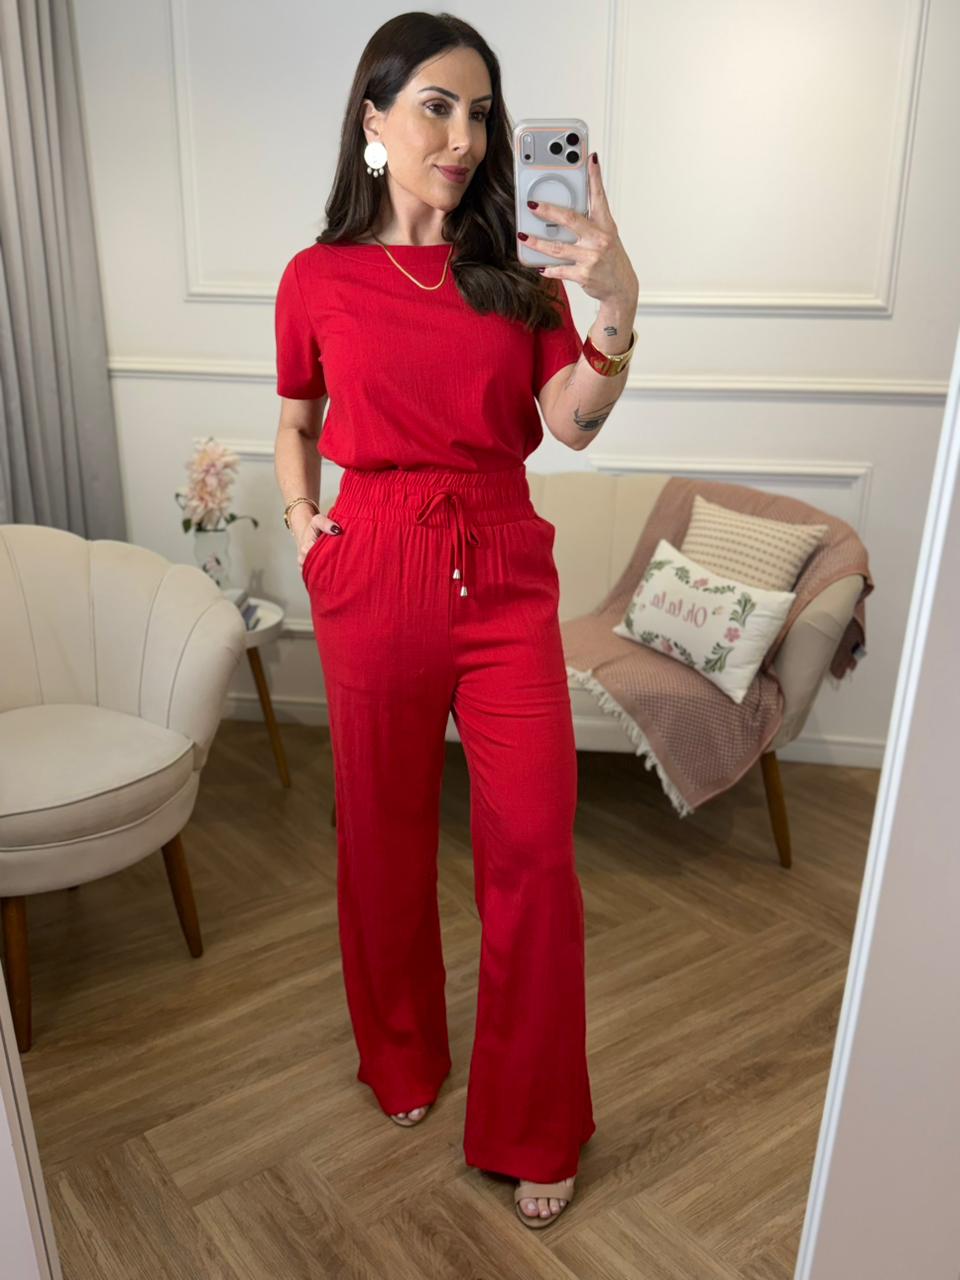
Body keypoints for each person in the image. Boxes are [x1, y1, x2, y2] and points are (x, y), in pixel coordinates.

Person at [273, 12, 639, 1228]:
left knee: (534, 848)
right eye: (437, 105)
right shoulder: (316, 277)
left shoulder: (518, 275)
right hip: (372, 564)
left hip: (502, 568)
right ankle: (401, 1051)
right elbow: (296, 416)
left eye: (480, 112)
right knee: (381, 837)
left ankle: (535, 1118)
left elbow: (572, 421)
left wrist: (615, 306)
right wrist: (304, 520)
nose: (465, 135)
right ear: (373, 120)